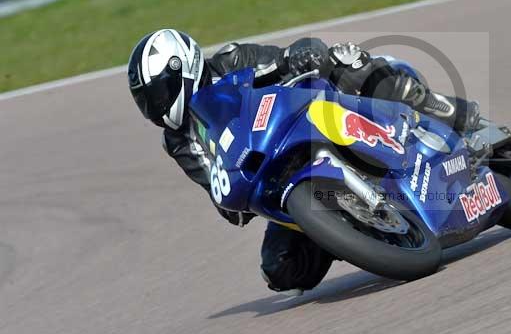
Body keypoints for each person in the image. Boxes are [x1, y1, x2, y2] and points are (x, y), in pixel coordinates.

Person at [127, 29, 478, 294]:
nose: (155, 108)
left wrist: (299, 55)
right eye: (146, 102)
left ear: (183, 69)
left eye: (157, 95)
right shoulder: (178, 142)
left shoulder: (232, 60)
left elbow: (289, 56)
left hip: (317, 117)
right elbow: (215, 187)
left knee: (345, 62)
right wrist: (230, 200)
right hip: (282, 177)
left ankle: (446, 112)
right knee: (280, 270)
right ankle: (352, 229)